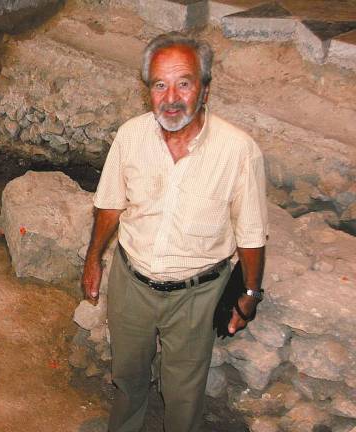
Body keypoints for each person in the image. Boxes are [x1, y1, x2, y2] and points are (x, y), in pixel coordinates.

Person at [81, 32, 267, 432]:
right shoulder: (131, 135)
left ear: (205, 89)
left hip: (196, 295)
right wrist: (93, 261)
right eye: (159, 85)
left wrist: (250, 294)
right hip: (131, 282)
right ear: (147, 91)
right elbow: (109, 206)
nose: (171, 98)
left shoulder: (238, 150)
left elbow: (251, 234)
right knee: (128, 375)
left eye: (184, 83)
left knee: (183, 391)